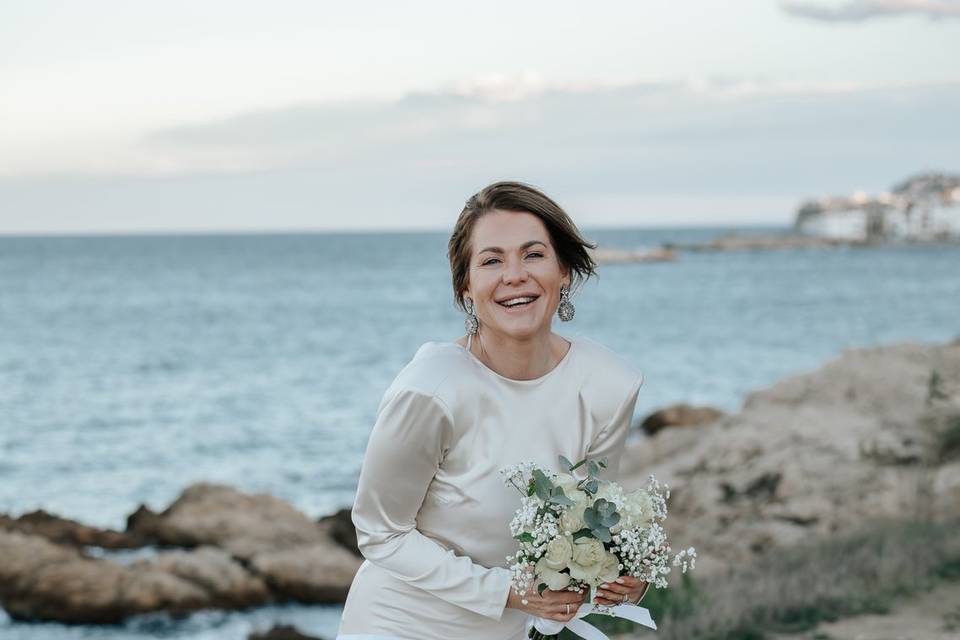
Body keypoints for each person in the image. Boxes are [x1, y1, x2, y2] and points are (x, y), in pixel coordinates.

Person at [336, 181, 649, 640]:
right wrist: (510, 590)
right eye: (491, 260)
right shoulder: (431, 390)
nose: (515, 275)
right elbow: (380, 533)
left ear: (564, 270)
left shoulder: (609, 384)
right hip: (397, 625)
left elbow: (585, 529)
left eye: (533, 254)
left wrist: (619, 582)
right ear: (467, 285)